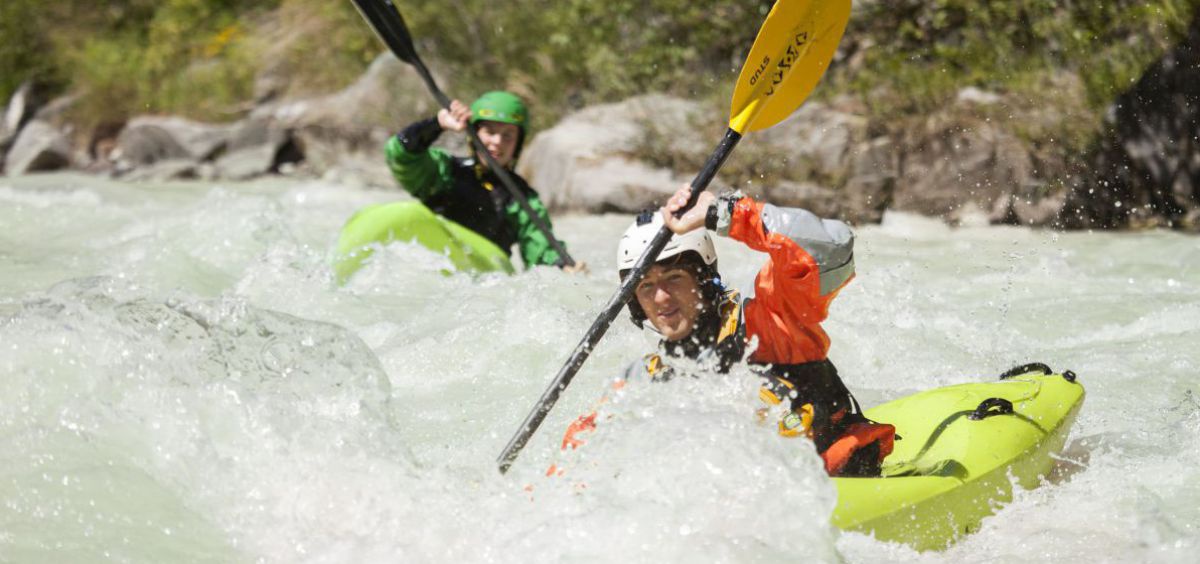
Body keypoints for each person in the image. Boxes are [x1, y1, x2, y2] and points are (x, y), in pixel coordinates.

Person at [556, 186, 893, 477]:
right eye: (645, 287)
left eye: (674, 279)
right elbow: (586, 447)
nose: (661, 299)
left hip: (832, 485)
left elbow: (831, 249)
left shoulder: (768, 317)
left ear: (703, 279)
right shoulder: (645, 378)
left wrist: (726, 213)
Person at [385, 91, 580, 270]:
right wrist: (437, 124)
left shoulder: (522, 199)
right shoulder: (444, 171)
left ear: (518, 144)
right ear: (473, 134)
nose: (497, 142)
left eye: (508, 136)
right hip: (429, 265)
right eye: (490, 131)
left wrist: (561, 265)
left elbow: (542, 250)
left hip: (483, 281)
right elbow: (399, 156)